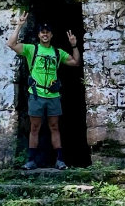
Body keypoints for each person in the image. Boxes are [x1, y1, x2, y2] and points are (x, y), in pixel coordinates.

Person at [7, 12, 80, 170]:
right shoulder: (31, 49)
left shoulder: (57, 52)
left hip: (53, 95)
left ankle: (59, 160)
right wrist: (19, 25)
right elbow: (11, 44)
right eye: (42, 32)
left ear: (51, 35)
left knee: (54, 127)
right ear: (39, 35)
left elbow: (75, 62)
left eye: (47, 32)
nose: (45, 34)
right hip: (36, 94)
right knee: (35, 127)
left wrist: (74, 45)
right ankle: (31, 160)